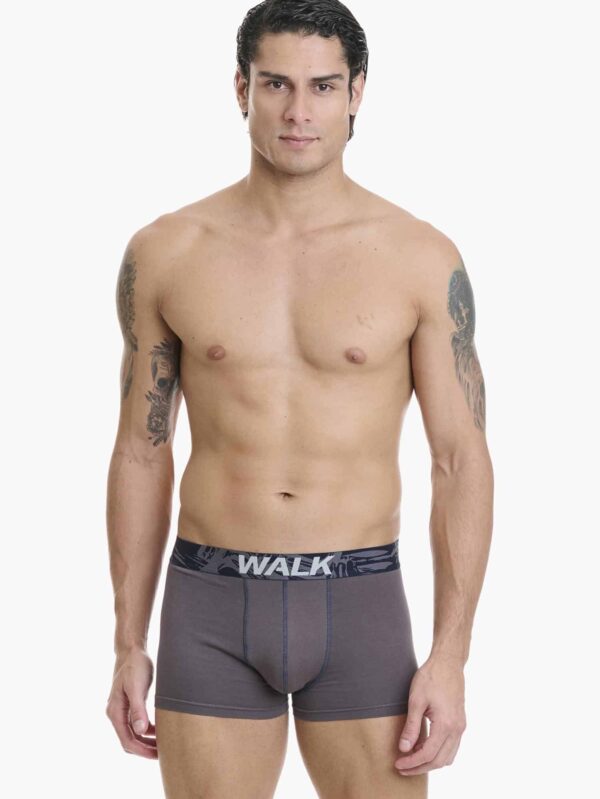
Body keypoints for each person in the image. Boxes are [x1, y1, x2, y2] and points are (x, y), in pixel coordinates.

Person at [104, 1, 494, 796]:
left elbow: (460, 459)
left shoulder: (419, 257)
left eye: (322, 86)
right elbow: (142, 449)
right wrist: (127, 640)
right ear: (240, 88)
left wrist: (452, 655)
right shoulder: (168, 252)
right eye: (276, 83)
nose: (298, 112)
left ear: (357, 92)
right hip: (209, 602)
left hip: (360, 602)